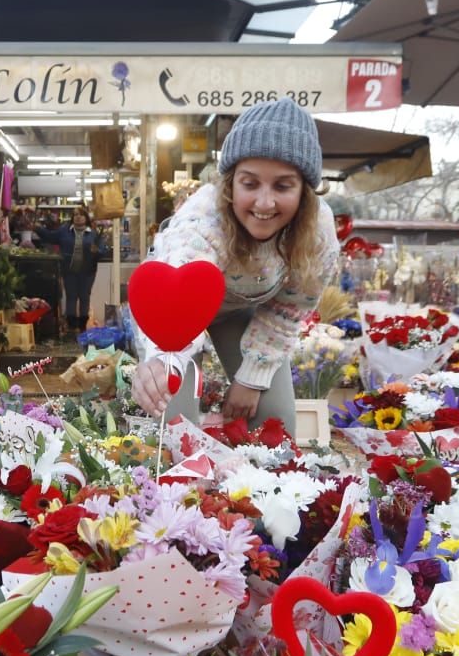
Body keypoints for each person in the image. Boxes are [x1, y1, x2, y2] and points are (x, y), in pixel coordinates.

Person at [131, 97, 337, 431]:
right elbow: (175, 294)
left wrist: (252, 378)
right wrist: (160, 363)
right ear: (230, 184)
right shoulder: (202, 222)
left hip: (242, 310)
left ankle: (260, 481)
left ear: (304, 192)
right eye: (250, 183)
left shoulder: (318, 235)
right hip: (177, 310)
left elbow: (288, 309)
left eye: (283, 185)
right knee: (174, 421)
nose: (264, 203)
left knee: (275, 421)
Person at [37, 206, 106, 333]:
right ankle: (72, 328)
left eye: (81, 214)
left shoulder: (93, 234)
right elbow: (49, 236)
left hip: (88, 272)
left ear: (86, 218)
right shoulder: (64, 231)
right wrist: (37, 228)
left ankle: (83, 327)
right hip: (69, 271)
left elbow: (103, 250)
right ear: (72, 218)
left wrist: (97, 251)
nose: (78, 217)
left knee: (84, 298)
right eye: (75, 215)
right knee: (71, 297)